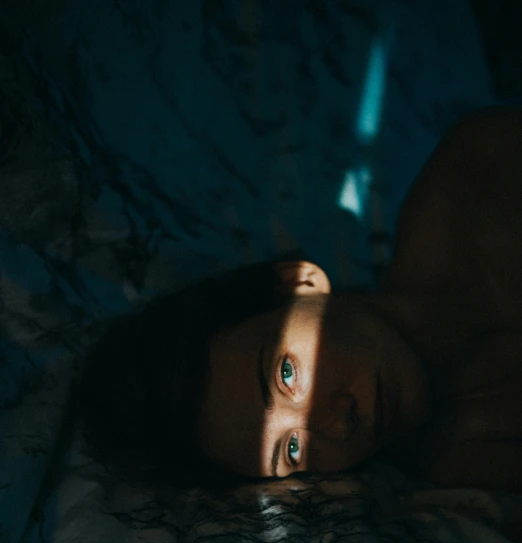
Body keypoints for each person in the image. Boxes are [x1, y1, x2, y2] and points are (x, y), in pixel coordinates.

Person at [78, 106, 522, 493]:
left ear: (299, 285)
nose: (336, 424)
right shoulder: (467, 466)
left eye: (286, 373)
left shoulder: (480, 175)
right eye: (291, 450)